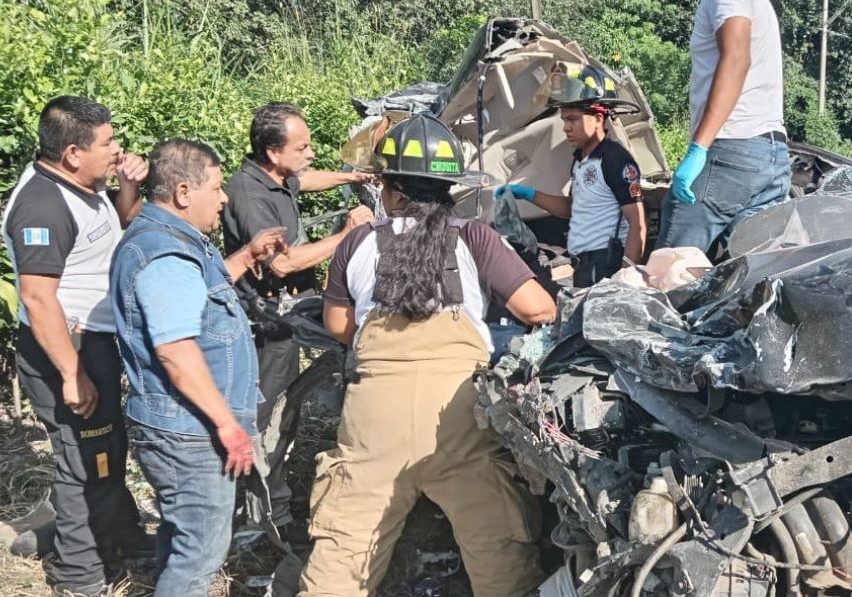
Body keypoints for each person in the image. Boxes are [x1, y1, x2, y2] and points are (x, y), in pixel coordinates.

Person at [298, 114, 556, 597]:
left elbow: (337, 326)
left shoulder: (357, 241)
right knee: (498, 553)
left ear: (388, 188)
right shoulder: (476, 237)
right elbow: (538, 308)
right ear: (450, 190)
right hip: (457, 415)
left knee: (343, 555)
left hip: (375, 413)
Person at [111, 139, 286, 596]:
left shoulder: (175, 241)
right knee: (201, 553)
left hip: (180, 423)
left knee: (183, 534)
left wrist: (247, 256)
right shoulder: (166, 254)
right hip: (187, 430)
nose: (224, 197)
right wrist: (228, 425)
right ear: (184, 192)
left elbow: (200, 293)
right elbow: (175, 351)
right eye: (217, 186)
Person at [0, 95, 153, 596]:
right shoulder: (42, 206)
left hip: (94, 342)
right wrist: (72, 372)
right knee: (84, 460)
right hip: (66, 350)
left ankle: (124, 536)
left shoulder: (84, 186)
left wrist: (128, 187)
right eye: (107, 143)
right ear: (71, 152)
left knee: (105, 447)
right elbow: (39, 299)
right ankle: (78, 574)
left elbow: (119, 225)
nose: (117, 149)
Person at [220, 102, 373, 544]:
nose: (310, 153)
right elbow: (283, 265)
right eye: (301, 146)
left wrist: (352, 178)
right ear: (272, 151)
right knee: (269, 414)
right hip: (269, 319)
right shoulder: (249, 197)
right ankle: (262, 514)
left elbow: (303, 180)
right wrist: (347, 235)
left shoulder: (274, 177)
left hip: (293, 308)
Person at [652, 0, 791, 255]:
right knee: (741, 285)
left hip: (729, 150)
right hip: (770, 157)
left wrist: (699, 147)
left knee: (668, 275)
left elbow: (737, 56)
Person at [495, 64, 647, 287]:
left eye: (573, 119)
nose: (566, 127)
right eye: (564, 119)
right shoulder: (582, 160)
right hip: (586, 264)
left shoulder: (616, 161)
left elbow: (638, 225)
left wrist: (624, 281)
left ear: (597, 118)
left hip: (609, 264)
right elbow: (572, 209)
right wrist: (528, 194)